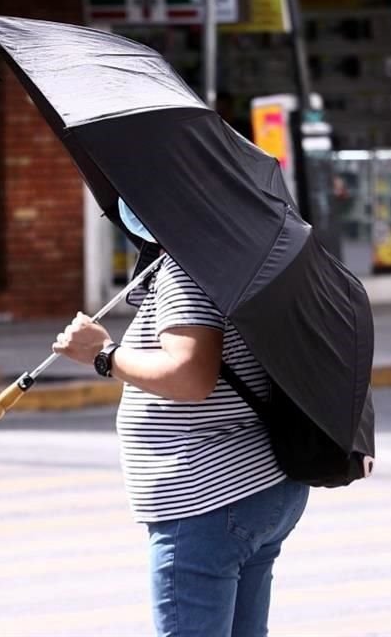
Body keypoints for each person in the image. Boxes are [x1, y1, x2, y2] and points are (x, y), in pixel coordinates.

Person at [52, 199, 309, 637]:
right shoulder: (237, 253)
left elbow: (191, 375)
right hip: (260, 483)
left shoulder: (186, 268)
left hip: (207, 499)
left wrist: (103, 355)